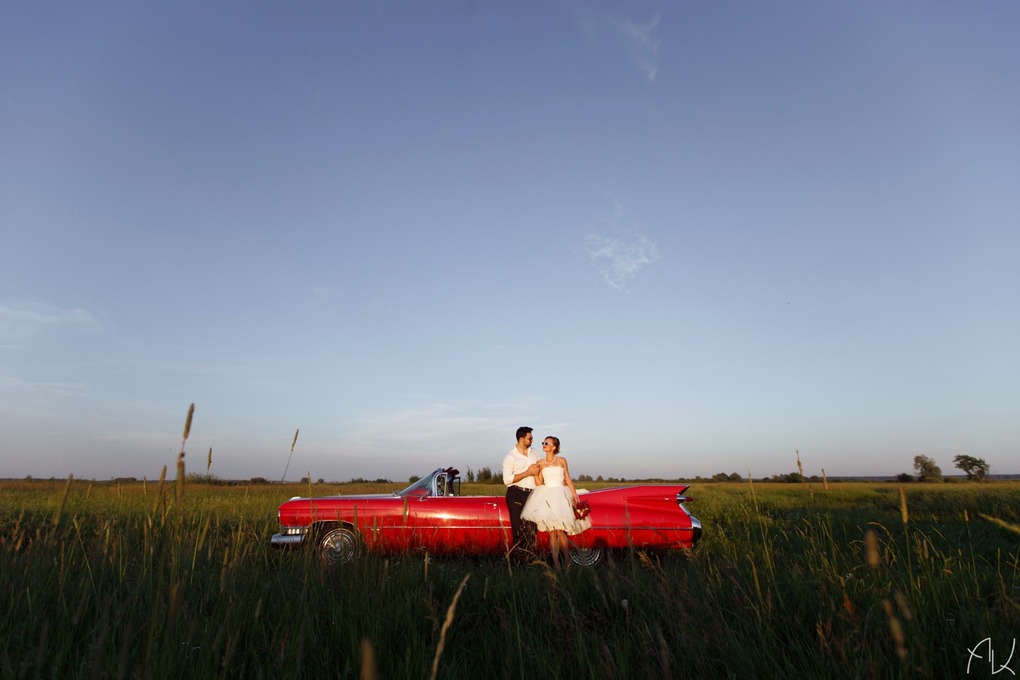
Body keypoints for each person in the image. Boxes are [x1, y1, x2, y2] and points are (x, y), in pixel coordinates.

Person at [520, 436, 591, 570]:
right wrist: (534, 473)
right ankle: (556, 564)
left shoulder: (562, 460)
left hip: (561, 495)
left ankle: (567, 561)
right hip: (547, 496)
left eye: (547, 443)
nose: (544, 444)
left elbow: (568, 479)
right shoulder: (540, 463)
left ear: (554, 447)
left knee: (561, 530)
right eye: (543, 442)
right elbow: (539, 484)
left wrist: (574, 495)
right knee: (552, 532)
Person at [502, 426, 541, 559]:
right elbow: (507, 480)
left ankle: (531, 559)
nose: (532, 440)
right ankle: (518, 560)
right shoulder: (510, 457)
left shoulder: (534, 453)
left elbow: (540, 471)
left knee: (531, 527)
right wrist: (527, 473)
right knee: (517, 527)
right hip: (516, 492)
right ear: (521, 439)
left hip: (532, 494)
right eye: (530, 438)